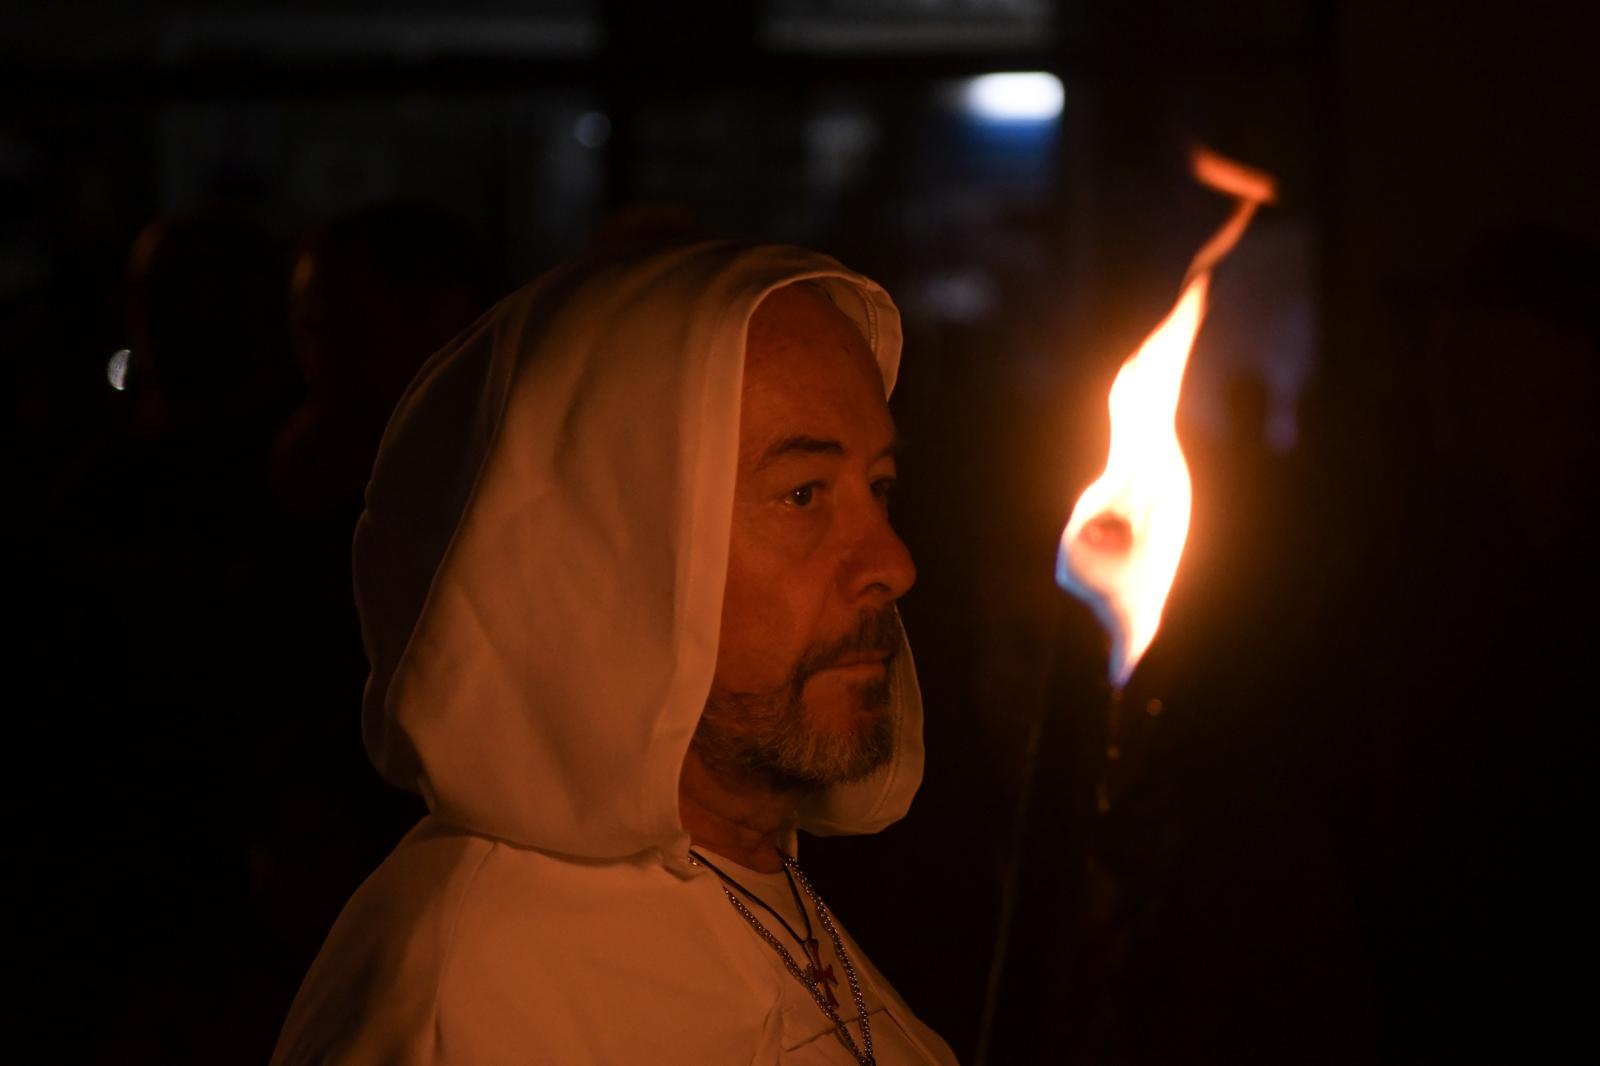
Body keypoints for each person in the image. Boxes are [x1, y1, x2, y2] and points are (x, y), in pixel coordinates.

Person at [271, 239, 959, 1065]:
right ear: (617, 551)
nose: (893, 563)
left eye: (879, 487)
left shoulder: (759, 879)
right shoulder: (481, 999)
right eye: (803, 494)